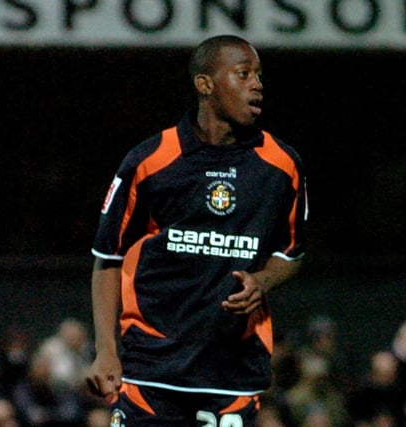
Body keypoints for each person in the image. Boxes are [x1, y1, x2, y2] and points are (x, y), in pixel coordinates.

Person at [85, 34, 308, 426]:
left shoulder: (281, 165)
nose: (257, 84)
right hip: (150, 368)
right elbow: (107, 259)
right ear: (205, 84)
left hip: (233, 374)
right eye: (243, 74)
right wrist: (106, 349)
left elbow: (292, 252)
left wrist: (264, 280)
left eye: (259, 75)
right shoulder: (150, 160)